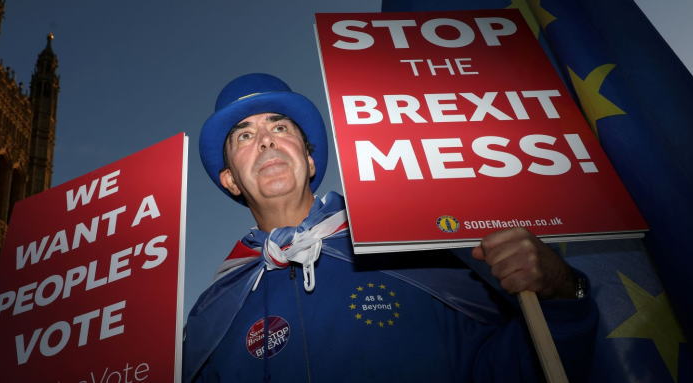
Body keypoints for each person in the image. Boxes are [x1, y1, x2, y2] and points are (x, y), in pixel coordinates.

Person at [183, 73, 597, 382]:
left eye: (279, 127)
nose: (267, 141)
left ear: (309, 161)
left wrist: (563, 294)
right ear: (231, 180)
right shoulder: (212, 311)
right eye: (244, 136)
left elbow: (513, 368)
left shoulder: (414, 243)